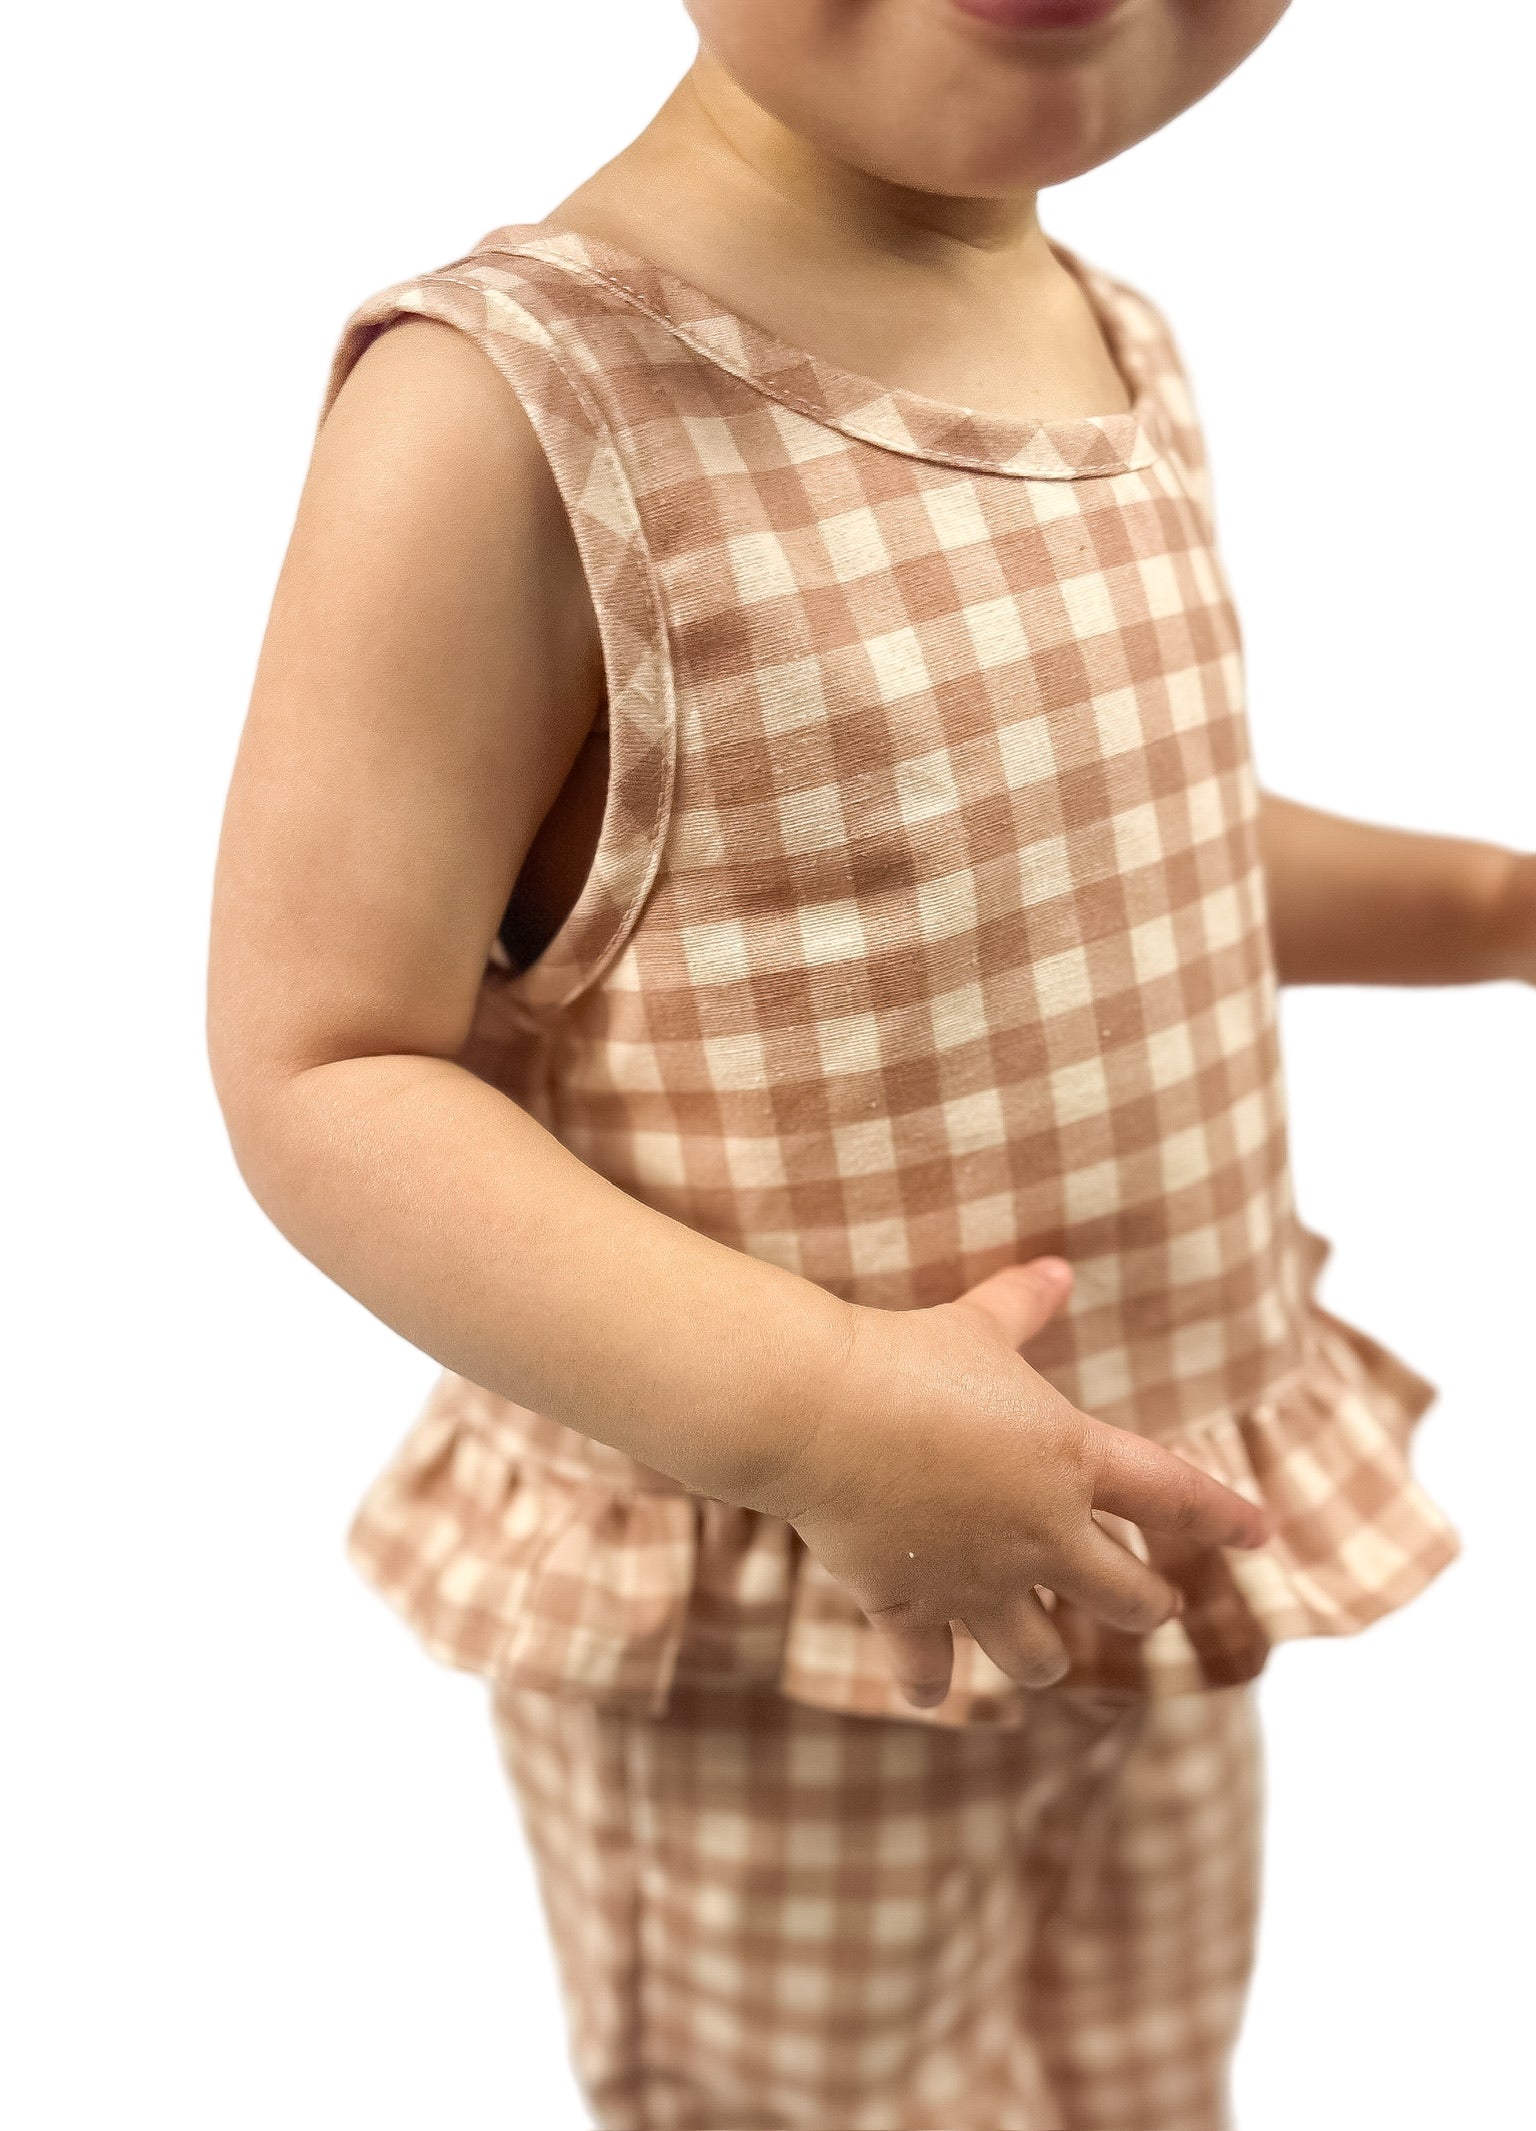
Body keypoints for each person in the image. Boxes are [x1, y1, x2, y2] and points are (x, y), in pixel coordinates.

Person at [206, 4, 1536, 2125]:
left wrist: (1494, 906)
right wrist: (827, 1415)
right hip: (791, 1616)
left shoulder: (1113, 333)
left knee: (1140, 2075)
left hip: (1149, 1538)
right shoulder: (514, 413)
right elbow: (328, 1064)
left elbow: (1128, 834)